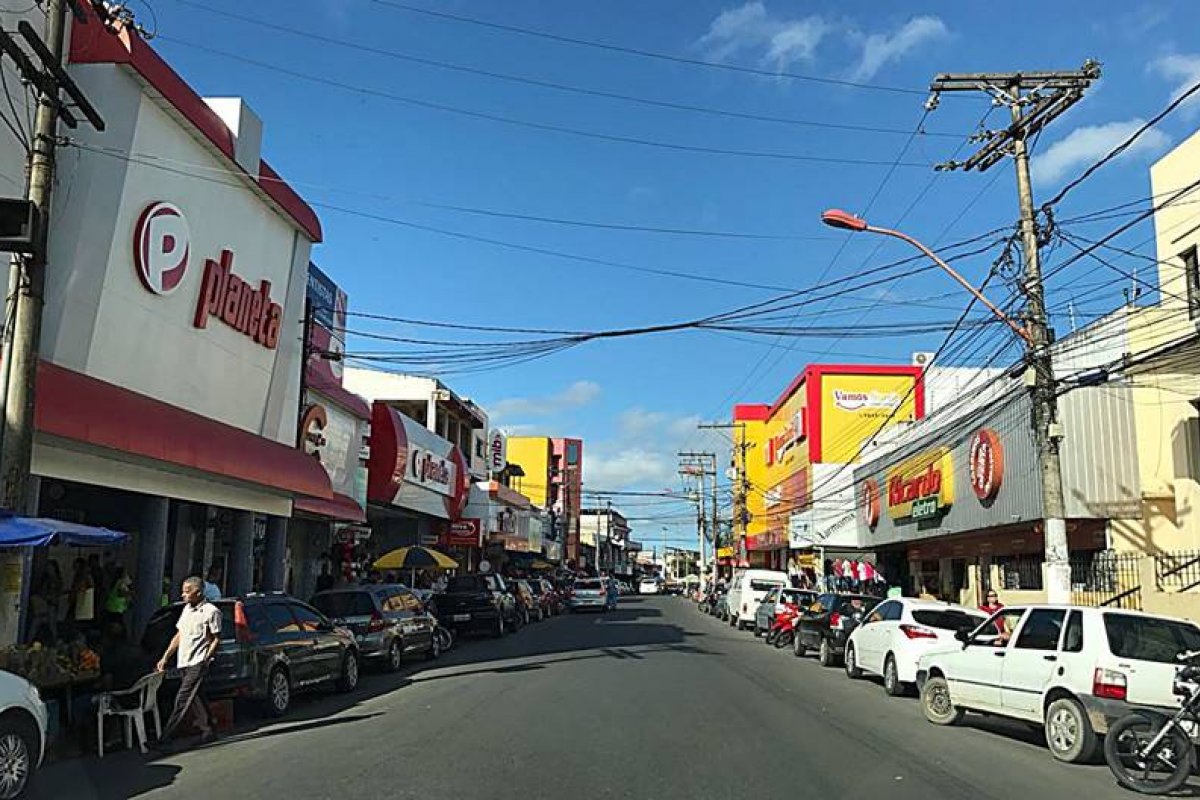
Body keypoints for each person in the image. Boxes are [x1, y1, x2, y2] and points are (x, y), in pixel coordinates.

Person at [155, 576, 221, 750]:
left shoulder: (211, 611)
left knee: (182, 698)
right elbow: (179, 635)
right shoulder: (186, 610)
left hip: (198, 661)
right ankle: (209, 728)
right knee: (197, 696)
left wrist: (206, 657)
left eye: (187, 591)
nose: (183, 595)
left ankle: (165, 737)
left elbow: (215, 639)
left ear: (198, 593)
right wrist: (165, 657)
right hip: (184, 660)